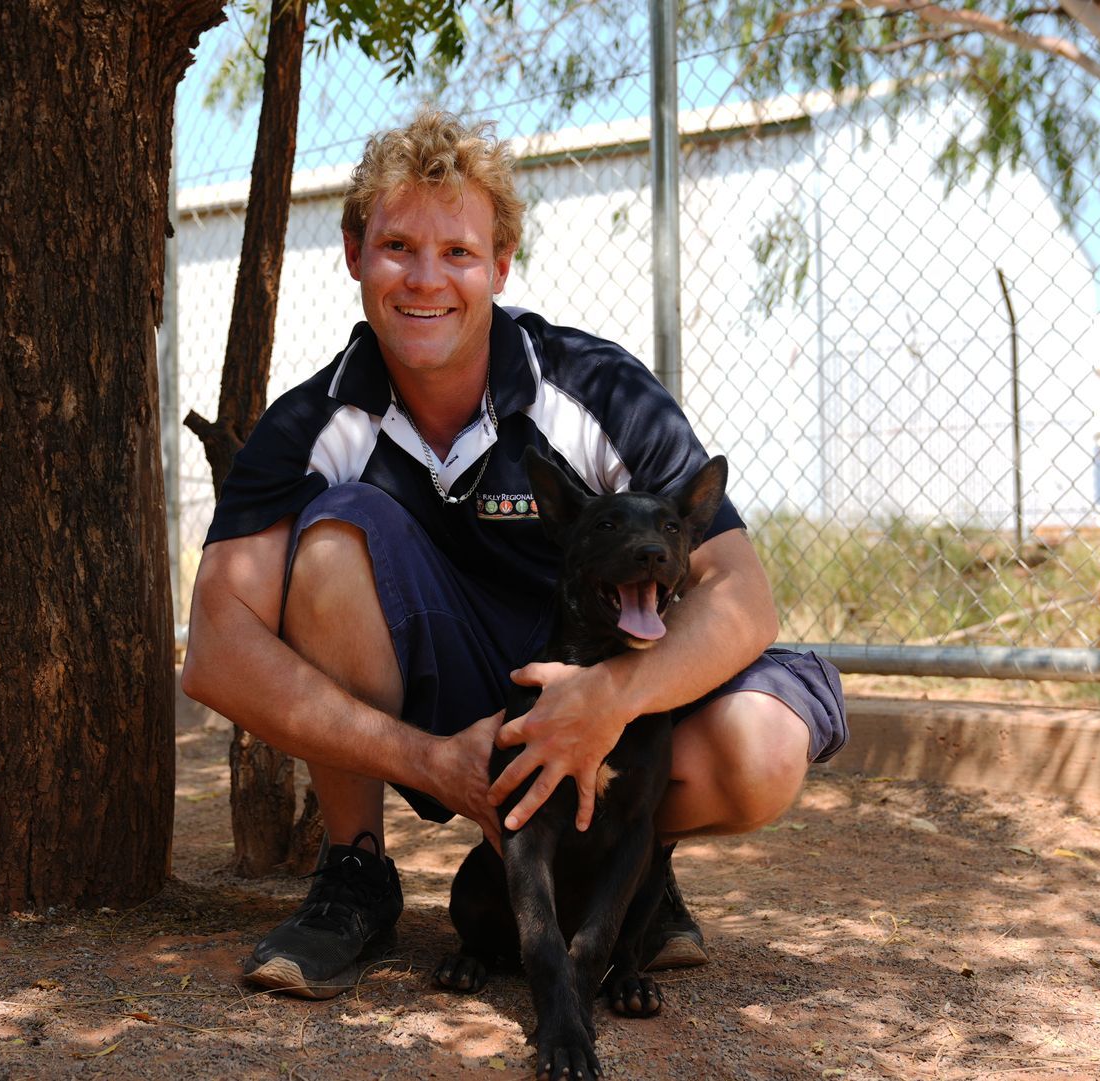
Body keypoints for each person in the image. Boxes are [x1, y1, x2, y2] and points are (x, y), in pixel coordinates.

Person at [180, 108, 847, 999]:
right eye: (397, 247)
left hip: (597, 673)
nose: (426, 279)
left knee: (762, 750)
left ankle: (633, 864)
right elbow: (217, 650)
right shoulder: (314, 424)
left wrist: (609, 699)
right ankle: (355, 869)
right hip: (450, 703)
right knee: (333, 540)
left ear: (499, 264)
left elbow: (742, 590)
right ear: (352, 252)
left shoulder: (593, 385)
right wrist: (429, 760)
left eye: (458, 252)